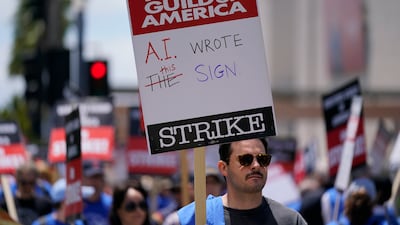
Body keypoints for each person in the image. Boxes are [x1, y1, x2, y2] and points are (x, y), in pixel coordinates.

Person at [177, 138, 308, 225]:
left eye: (263, 159)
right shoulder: (195, 217)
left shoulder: (290, 220)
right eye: (246, 159)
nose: (256, 165)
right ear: (223, 168)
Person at [82, 160, 112, 225]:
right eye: (92, 177)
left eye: (98, 177)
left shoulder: (111, 204)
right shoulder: (75, 205)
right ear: (83, 179)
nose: (95, 182)